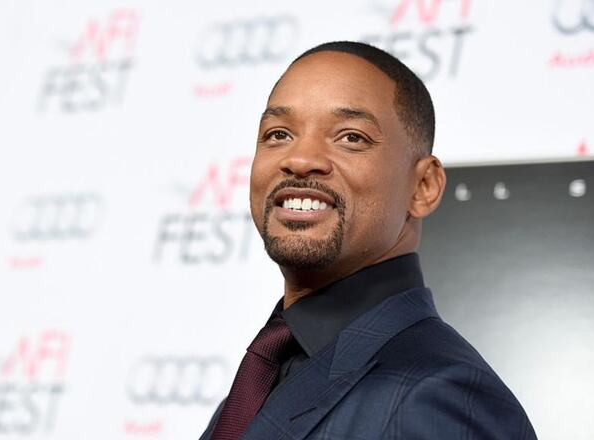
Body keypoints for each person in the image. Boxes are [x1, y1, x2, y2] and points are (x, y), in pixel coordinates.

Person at [199, 41, 536, 440]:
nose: (300, 159)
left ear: (424, 186)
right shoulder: (260, 384)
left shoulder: (441, 397)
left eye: (351, 137)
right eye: (278, 133)